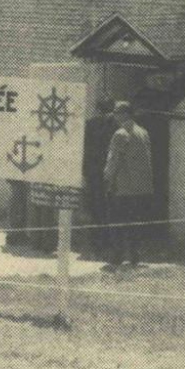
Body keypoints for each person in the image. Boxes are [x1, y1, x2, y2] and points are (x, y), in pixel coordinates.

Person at [103, 101, 154, 267]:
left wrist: (107, 180)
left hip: (123, 188)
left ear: (124, 114)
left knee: (118, 223)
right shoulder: (143, 132)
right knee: (135, 224)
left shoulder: (120, 134)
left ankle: (117, 257)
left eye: (117, 114)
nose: (116, 117)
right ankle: (134, 256)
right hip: (142, 188)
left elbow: (113, 161)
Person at [82, 98, 116, 257]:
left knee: (95, 206)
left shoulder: (90, 124)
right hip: (108, 172)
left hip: (93, 172)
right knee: (108, 205)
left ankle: (96, 240)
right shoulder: (115, 126)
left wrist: (84, 171)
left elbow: (85, 149)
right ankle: (107, 239)